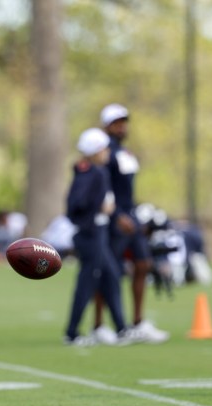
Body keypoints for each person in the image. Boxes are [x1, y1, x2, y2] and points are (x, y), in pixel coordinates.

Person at [92, 104, 170, 344]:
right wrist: (116, 216)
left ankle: (137, 321)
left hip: (131, 216)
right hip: (116, 219)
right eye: (117, 123)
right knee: (109, 271)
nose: (122, 127)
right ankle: (99, 325)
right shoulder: (104, 153)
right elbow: (102, 188)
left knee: (143, 263)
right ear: (107, 126)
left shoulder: (125, 152)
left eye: (124, 122)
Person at [64, 128, 131, 346]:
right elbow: (76, 204)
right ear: (95, 151)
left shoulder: (89, 171)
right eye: (103, 149)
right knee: (87, 282)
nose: (107, 153)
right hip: (91, 234)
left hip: (96, 233)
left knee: (111, 277)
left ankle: (122, 328)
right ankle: (72, 332)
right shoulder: (95, 173)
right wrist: (101, 208)